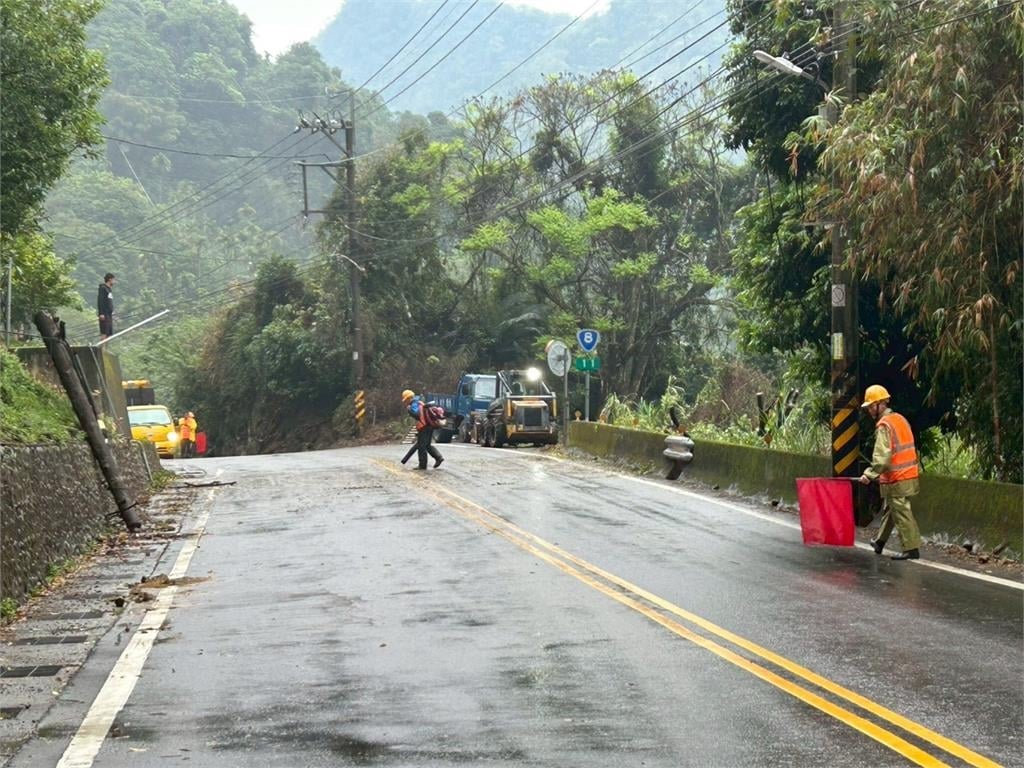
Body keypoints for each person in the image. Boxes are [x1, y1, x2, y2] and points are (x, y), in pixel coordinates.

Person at [858, 384, 922, 561]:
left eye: (871, 406)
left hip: (897, 476)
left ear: (880, 405)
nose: (870, 410)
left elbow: (883, 457)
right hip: (908, 474)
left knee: (900, 510)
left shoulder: (884, 425)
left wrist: (869, 474)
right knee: (892, 509)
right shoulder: (900, 419)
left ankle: (911, 548)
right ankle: (879, 542)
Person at [402, 389, 443, 470]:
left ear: (409, 398)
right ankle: (438, 457)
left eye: (405, 400)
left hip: (424, 427)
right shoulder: (419, 402)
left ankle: (422, 465)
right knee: (427, 445)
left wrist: (409, 410)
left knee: (421, 446)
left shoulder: (414, 404)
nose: (405, 402)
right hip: (429, 425)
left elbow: (417, 414)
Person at [97, 272, 116, 340]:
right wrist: (101, 313)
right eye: (114, 280)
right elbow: (100, 301)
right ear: (110, 279)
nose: (115, 282)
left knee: (109, 333)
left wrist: (112, 311)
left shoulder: (109, 290)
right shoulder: (103, 288)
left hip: (109, 314)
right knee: (104, 332)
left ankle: (105, 349)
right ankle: (102, 349)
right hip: (104, 314)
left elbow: (109, 302)